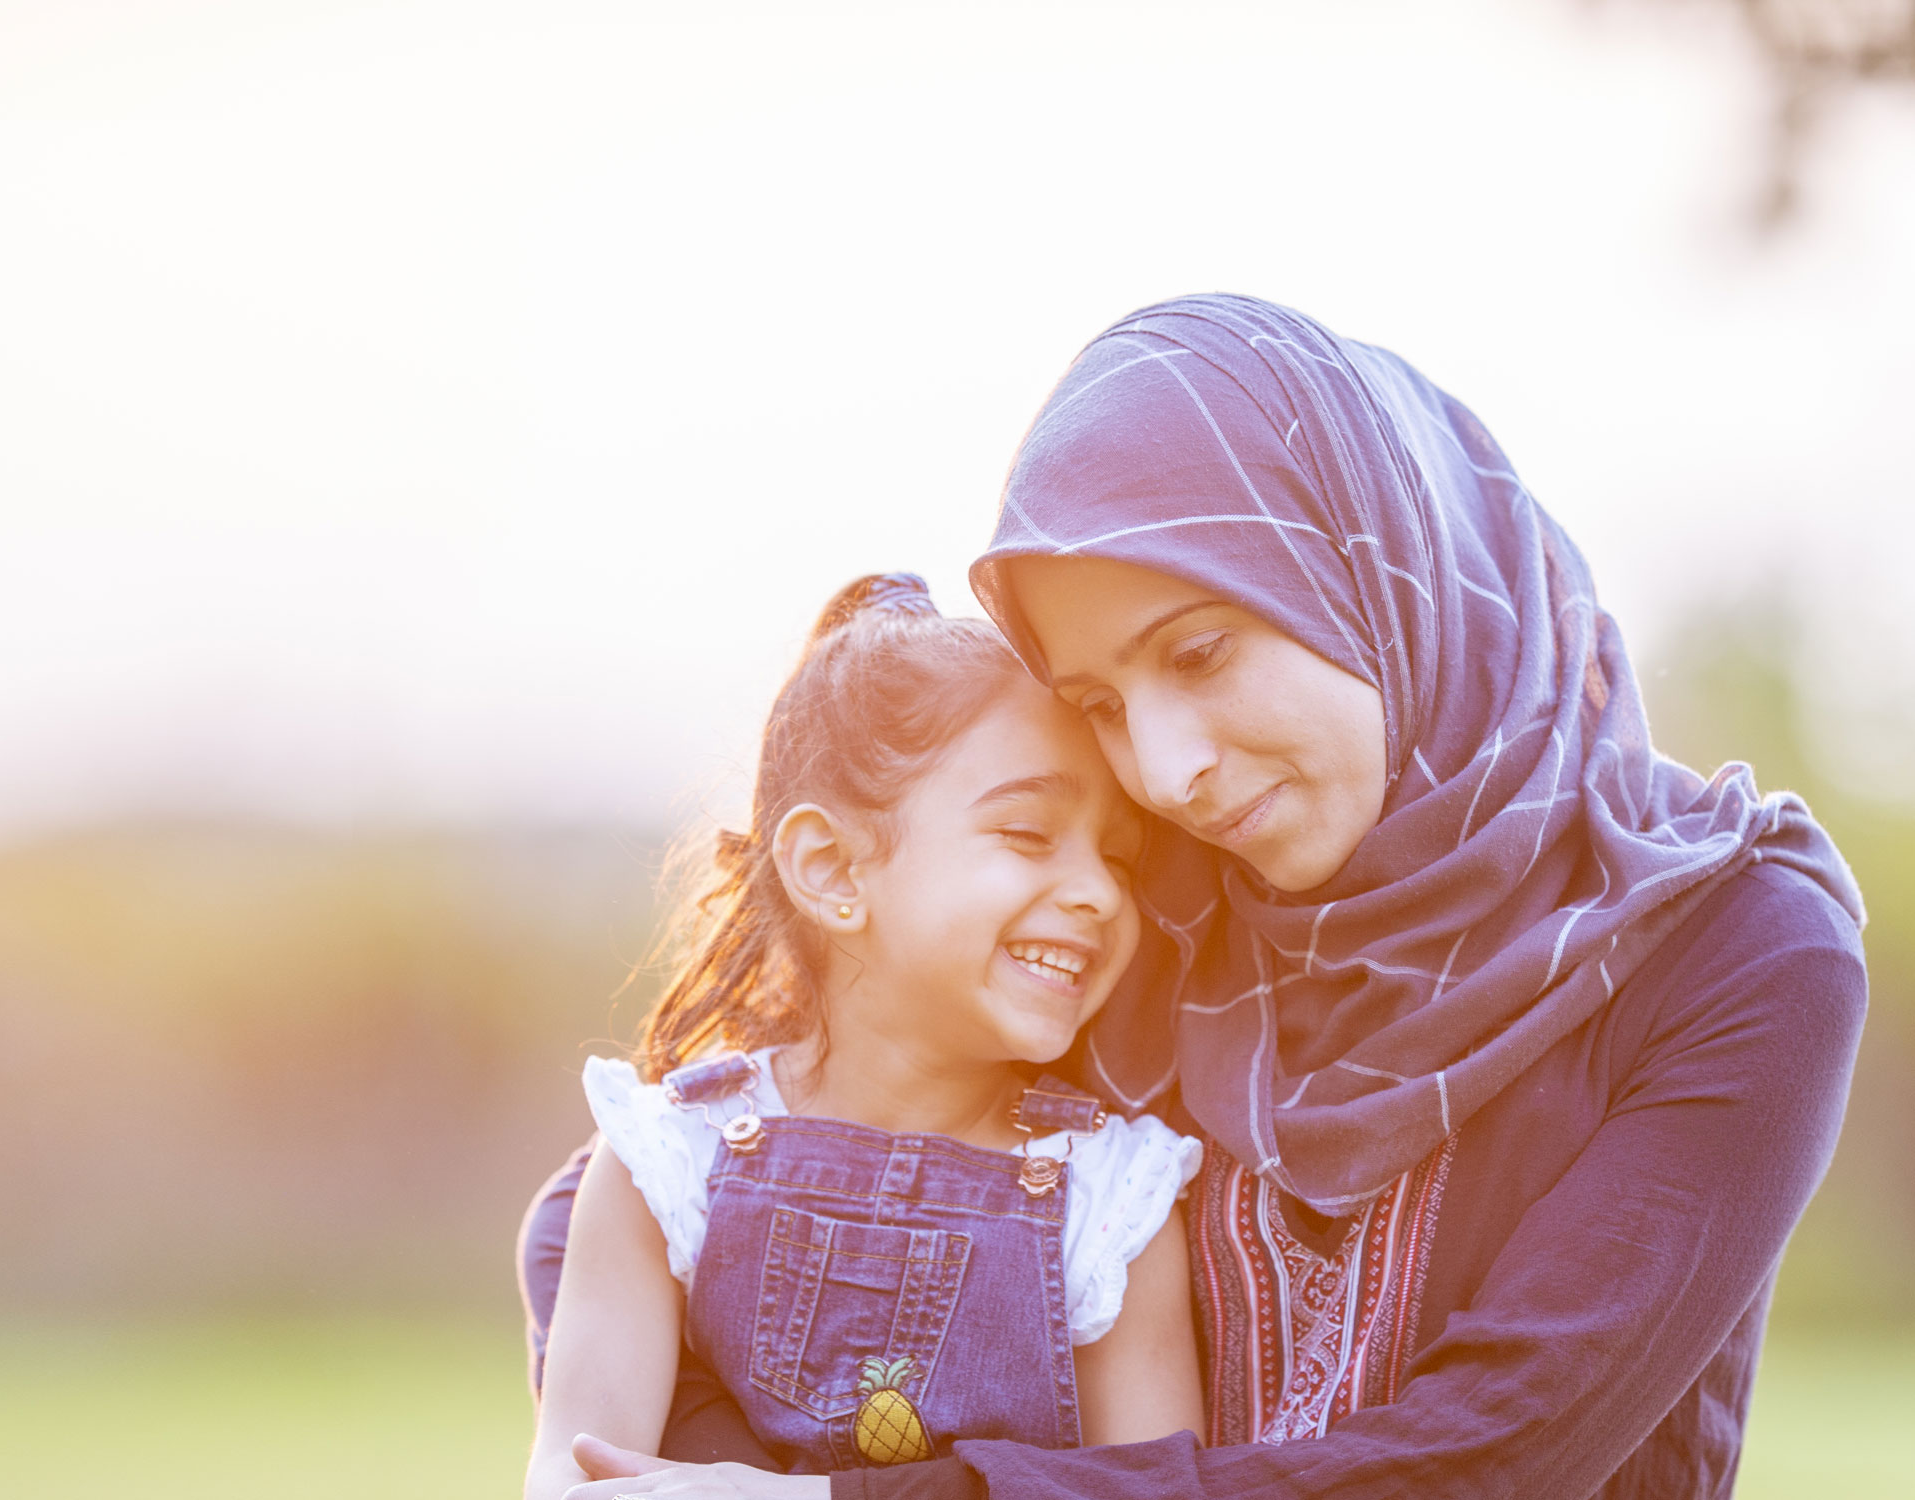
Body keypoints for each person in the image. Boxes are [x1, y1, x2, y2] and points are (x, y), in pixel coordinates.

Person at [523, 295, 1867, 1500]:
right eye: (1102, 704)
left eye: (1204, 650)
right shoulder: (1163, 905)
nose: (1166, 770)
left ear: (1366, 567)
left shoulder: (1735, 944)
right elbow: (662, 1193)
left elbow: (1497, 1454)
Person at [524, 574, 1206, 1498]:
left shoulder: (1113, 1203)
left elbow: (1150, 1491)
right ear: (832, 868)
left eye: (1119, 856)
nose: (1099, 891)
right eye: (1028, 832)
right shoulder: (665, 1165)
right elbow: (578, 1483)